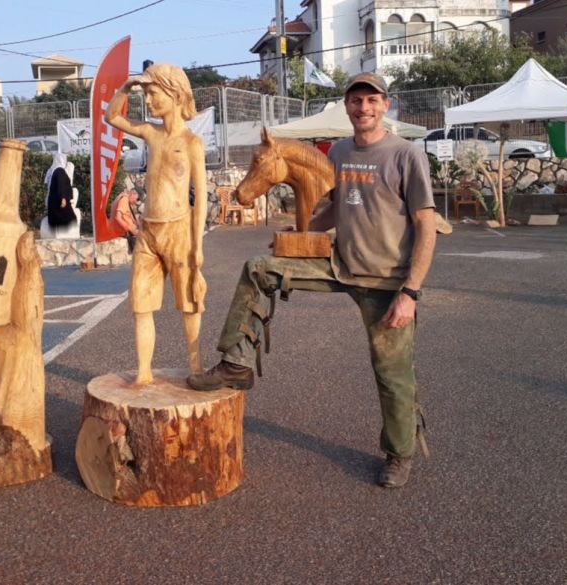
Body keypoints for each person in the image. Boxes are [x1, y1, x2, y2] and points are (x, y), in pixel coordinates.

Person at [187, 72, 437, 489]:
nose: (364, 108)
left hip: (387, 282)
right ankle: (236, 364)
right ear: (348, 107)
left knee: (392, 374)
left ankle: (399, 454)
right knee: (260, 267)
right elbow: (335, 210)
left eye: (372, 100)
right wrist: (295, 240)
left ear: (385, 106)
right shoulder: (339, 151)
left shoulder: (407, 155)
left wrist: (410, 292)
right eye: (356, 101)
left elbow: (426, 227)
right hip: (338, 264)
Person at [105, 63, 208, 386]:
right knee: (141, 304)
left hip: (179, 229)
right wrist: (125, 89)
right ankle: (144, 371)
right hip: (148, 232)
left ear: (175, 93)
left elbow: (201, 197)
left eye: (153, 93)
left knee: (190, 304)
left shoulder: (192, 143)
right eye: (146, 94)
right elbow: (113, 118)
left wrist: (198, 246)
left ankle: (196, 365)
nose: (147, 101)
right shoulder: (151, 132)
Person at [109, 189, 140, 253]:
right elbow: (118, 217)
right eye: (137, 199)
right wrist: (130, 228)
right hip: (124, 232)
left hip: (126, 231)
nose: (136, 202)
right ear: (132, 194)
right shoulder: (124, 199)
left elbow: (128, 217)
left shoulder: (124, 199)